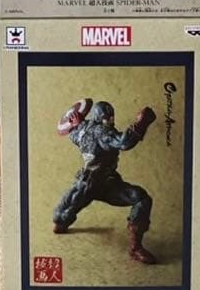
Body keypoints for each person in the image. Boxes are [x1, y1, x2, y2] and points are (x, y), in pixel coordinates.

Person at [53, 98, 158, 264]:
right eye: (108, 117)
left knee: (141, 198)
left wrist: (76, 122)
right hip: (92, 184)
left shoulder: (80, 130)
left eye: (112, 117)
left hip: (104, 183)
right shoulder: (102, 132)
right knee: (61, 215)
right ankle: (135, 248)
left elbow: (71, 131)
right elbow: (124, 143)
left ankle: (136, 248)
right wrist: (141, 123)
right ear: (101, 118)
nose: (111, 121)